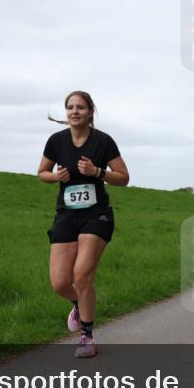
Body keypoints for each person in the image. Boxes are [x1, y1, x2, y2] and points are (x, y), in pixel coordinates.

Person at [37, 91, 129, 359]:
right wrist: (55, 177)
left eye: (80, 107)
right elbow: (41, 172)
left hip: (96, 214)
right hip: (66, 214)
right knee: (59, 282)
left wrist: (98, 172)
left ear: (90, 111)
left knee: (82, 274)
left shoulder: (103, 141)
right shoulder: (56, 141)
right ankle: (78, 303)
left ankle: (87, 336)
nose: (74, 112)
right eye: (70, 107)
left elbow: (123, 177)